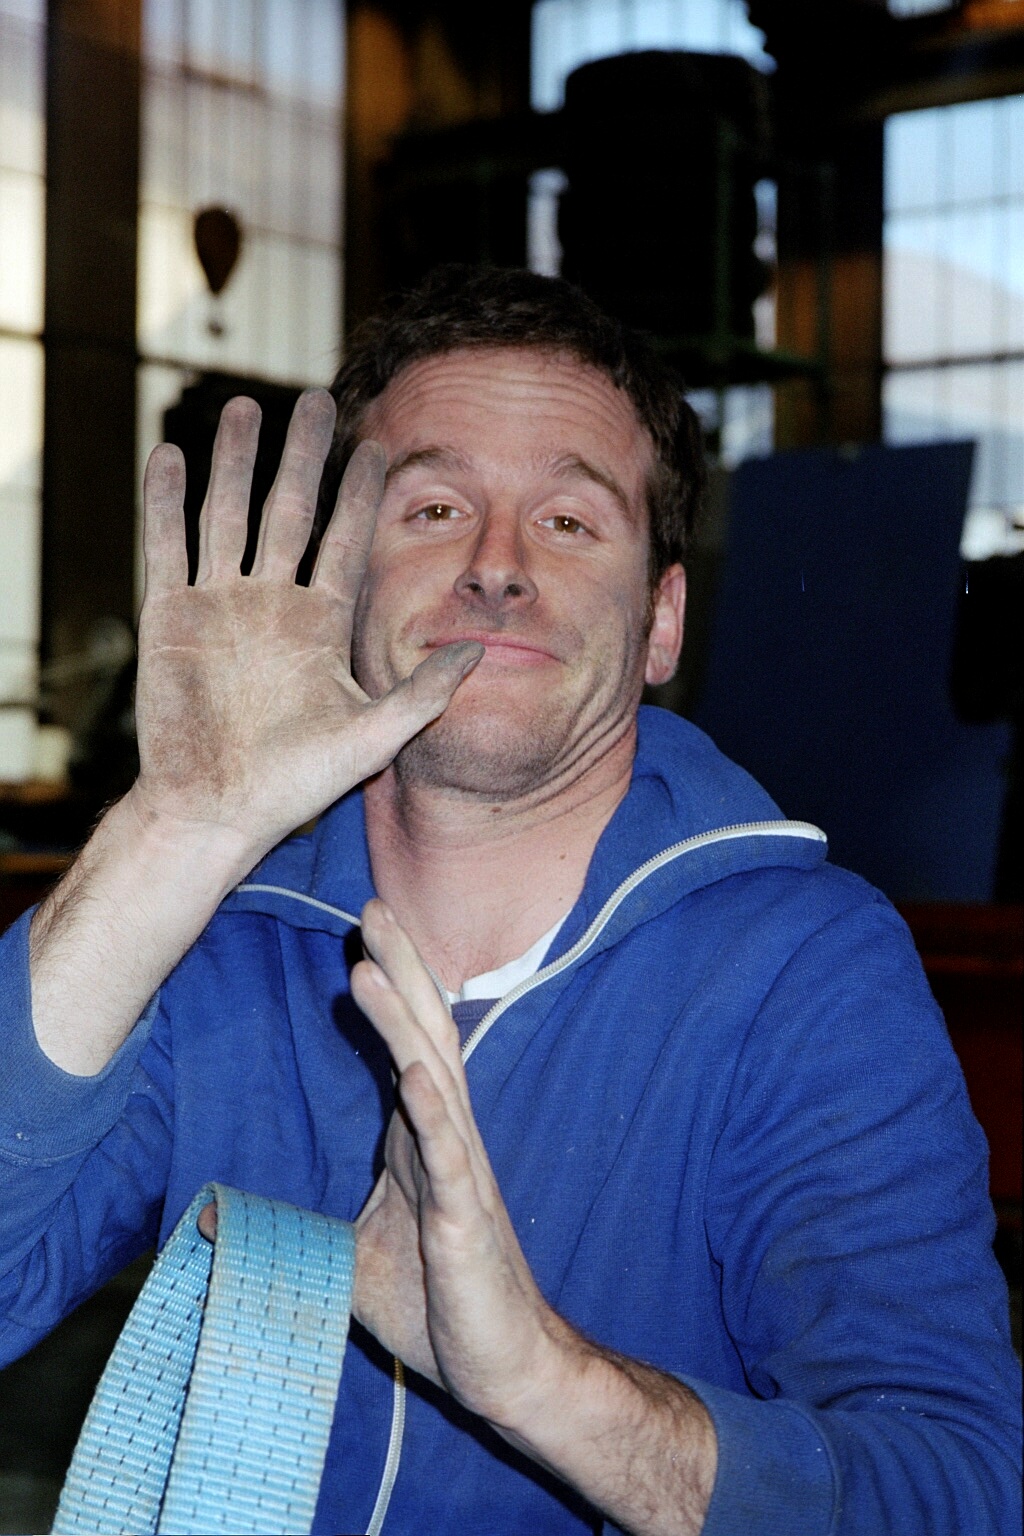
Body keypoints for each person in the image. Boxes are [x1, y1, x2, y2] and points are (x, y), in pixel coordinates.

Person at [0, 266, 1019, 1536]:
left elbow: (955, 1491)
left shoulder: (803, 973)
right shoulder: (219, 945)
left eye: (570, 522)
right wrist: (173, 832)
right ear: (340, 584)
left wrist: (543, 1382)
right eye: (434, 509)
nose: (496, 567)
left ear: (661, 622)